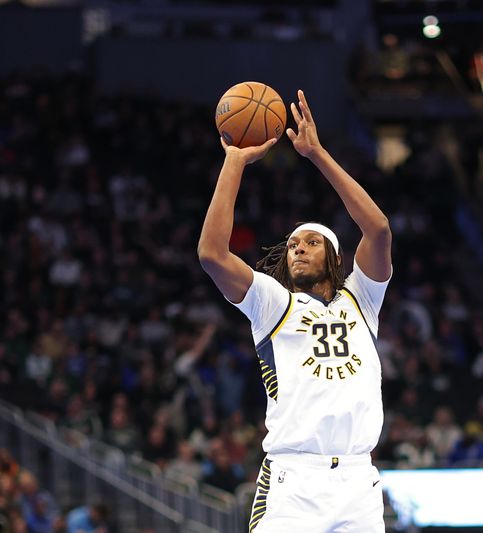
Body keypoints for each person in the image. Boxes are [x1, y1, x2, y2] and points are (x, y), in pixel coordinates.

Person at [198, 89, 392, 532]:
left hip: (359, 481)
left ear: (335, 257)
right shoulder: (273, 303)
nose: (297, 249)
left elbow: (378, 229)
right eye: (291, 244)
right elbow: (212, 254)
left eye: (310, 242)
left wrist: (318, 154)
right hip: (295, 480)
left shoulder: (361, 299)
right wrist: (234, 161)